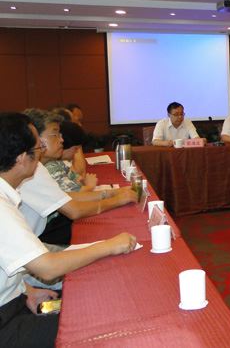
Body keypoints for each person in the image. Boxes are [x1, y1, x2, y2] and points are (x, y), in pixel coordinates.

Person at [0, 112, 137, 348]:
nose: (41, 152)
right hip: (6, 322)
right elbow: (48, 268)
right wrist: (110, 245)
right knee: (104, 321)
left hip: (15, 300)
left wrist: (26, 291)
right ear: (22, 158)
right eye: (38, 147)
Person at [19, 109, 138, 245]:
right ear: (36, 138)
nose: (61, 140)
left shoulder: (39, 166)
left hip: (44, 233)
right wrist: (117, 200)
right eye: (55, 134)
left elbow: (66, 196)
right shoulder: (31, 170)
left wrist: (113, 193)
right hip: (37, 240)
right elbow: (74, 210)